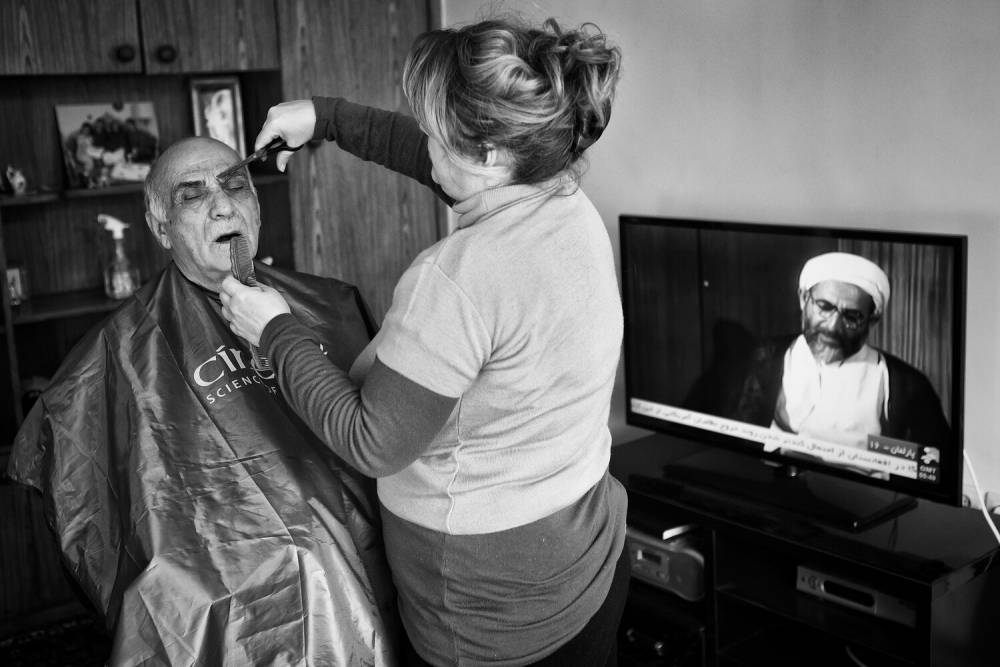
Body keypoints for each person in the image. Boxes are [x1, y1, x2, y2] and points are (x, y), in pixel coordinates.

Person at [220, 16, 628, 667]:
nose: (427, 149)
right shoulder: (562, 199)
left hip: (492, 621)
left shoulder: (459, 277)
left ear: (490, 152)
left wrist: (274, 330)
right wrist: (326, 117)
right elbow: (437, 162)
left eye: (437, 134)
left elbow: (372, 440)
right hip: (587, 562)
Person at [6, 136, 402, 665]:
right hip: (227, 591)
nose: (222, 204)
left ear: (256, 206)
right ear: (161, 227)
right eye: (192, 195)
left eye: (236, 185)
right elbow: (93, 495)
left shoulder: (332, 302)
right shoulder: (119, 351)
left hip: (367, 552)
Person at [723, 251, 951, 454]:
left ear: (873, 319)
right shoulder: (766, 357)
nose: (833, 327)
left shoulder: (909, 385)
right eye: (824, 306)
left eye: (852, 317)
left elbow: (932, 463)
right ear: (804, 299)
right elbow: (737, 442)